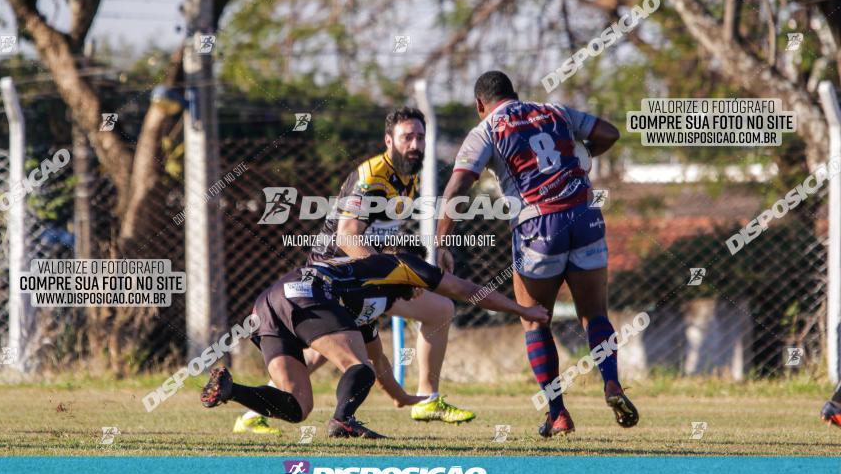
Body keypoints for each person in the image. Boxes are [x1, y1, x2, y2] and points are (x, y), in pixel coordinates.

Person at [235, 107, 474, 435]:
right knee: (351, 351)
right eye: (407, 137)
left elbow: (381, 232)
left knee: (436, 312)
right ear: (389, 140)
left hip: (365, 275)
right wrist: (393, 274)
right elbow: (348, 236)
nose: (415, 144)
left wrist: (415, 258)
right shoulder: (371, 175)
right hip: (336, 276)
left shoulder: (409, 177)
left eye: (420, 137)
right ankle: (266, 408)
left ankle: (427, 400)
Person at [435, 70, 636, 437]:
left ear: (480, 104)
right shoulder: (554, 111)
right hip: (585, 215)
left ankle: (557, 413)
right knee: (594, 314)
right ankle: (612, 384)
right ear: (515, 93)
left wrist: (441, 240)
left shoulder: (487, 129)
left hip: (539, 226)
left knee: (534, 318)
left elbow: (458, 184)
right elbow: (609, 133)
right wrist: (583, 154)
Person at [202, 250, 550, 438]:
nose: (420, 292)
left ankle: (231, 390)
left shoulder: (371, 302)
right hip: (306, 293)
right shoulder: (400, 264)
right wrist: (522, 309)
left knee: (297, 407)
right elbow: (463, 290)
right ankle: (343, 421)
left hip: (267, 304)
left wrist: (404, 398)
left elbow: (379, 362)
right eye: (421, 285)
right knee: (356, 368)